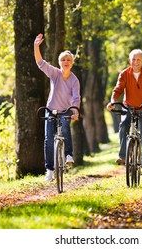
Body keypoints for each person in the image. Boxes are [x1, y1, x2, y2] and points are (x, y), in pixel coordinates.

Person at [34, 33, 80, 181]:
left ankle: (68, 155)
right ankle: (49, 170)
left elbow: (76, 97)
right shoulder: (55, 73)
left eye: (68, 60)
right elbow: (41, 63)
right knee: (48, 139)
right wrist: (36, 46)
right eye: (63, 60)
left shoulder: (74, 80)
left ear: (72, 62)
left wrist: (75, 111)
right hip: (51, 110)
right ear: (59, 62)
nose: (66, 62)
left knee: (65, 128)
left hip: (66, 111)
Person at [106, 49, 142, 177]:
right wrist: (113, 101)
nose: (136, 62)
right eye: (133, 59)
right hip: (129, 106)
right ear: (129, 61)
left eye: (138, 59)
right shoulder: (124, 74)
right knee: (123, 125)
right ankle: (123, 156)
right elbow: (117, 89)